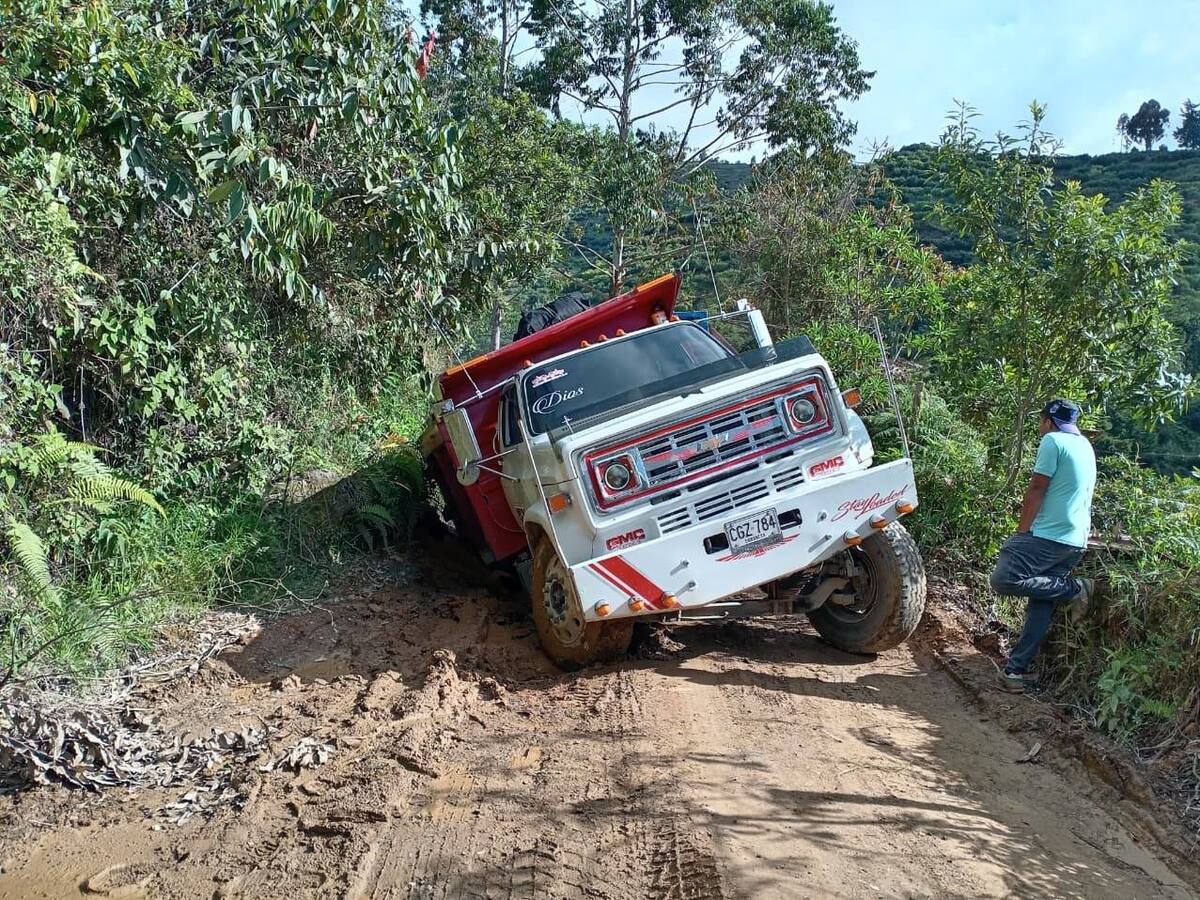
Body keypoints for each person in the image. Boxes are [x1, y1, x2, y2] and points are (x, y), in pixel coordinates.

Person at [990, 399, 1097, 692]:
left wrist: (1022, 532)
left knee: (1003, 579)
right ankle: (1014, 672)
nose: (1040, 426)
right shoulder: (1085, 445)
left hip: (1049, 536)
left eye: (1040, 420)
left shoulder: (1052, 440)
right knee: (1041, 599)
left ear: (1049, 420)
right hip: (1075, 540)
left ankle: (1076, 590)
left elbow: (1037, 487)